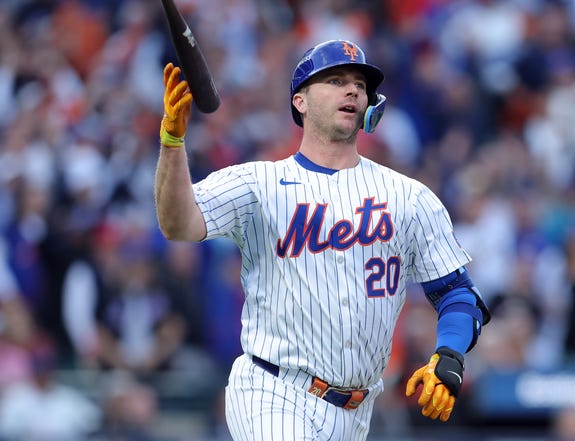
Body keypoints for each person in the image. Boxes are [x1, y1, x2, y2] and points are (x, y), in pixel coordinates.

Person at [154, 39, 490, 441]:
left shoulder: (408, 197)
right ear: (300, 101)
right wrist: (172, 144)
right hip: (273, 389)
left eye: (359, 84)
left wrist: (448, 354)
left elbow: (456, 293)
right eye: (335, 80)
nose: (352, 90)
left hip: (359, 408)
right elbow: (177, 224)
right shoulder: (258, 183)